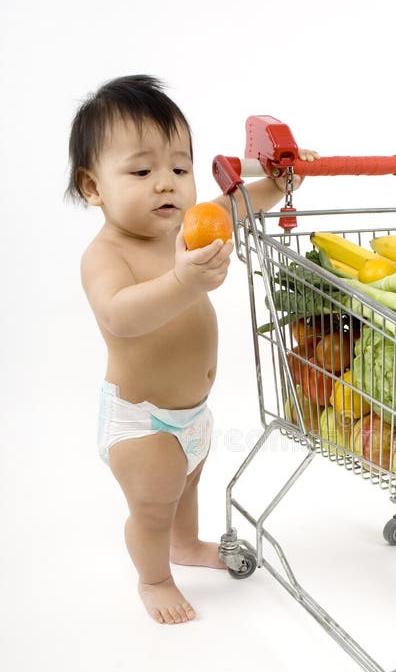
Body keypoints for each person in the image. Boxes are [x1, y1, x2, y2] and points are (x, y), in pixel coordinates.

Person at [66, 74, 318, 625]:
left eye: (180, 168)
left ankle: (185, 544)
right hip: (143, 423)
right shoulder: (105, 255)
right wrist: (184, 284)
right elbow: (120, 316)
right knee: (154, 503)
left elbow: (239, 205)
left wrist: (280, 183)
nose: (167, 184)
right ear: (93, 187)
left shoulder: (189, 225)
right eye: (141, 171)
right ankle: (154, 576)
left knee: (189, 484)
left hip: (192, 416)